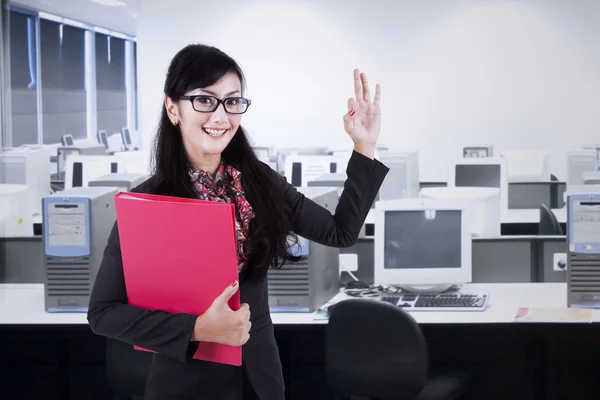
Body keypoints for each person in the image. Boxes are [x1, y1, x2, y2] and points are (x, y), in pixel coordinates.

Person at [87, 43, 389, 400]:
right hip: (186, 384)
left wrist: (364, 147)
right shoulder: (148, 203)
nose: (220, 116)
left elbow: (341, 232)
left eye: (232, 101)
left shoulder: (259, 182)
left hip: (260, 379)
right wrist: (198, 328)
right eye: (204, 99)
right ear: (173, 108)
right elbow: (103, 313)